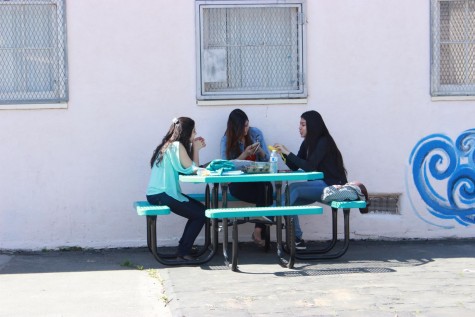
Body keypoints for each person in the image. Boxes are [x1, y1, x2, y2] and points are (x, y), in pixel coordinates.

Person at [273, 110, 348, 250]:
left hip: (332, 187)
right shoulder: (307, 143)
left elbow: (310, 167)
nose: (299, 128)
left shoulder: (324, 142)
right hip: (319, 186)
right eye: (299, 124)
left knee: (294, 189)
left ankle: (270, 214)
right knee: (290, 201)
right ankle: (297, 239)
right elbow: (295, 166)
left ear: (312, 126)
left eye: (303, 124)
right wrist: (283, 154)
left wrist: (288, 153)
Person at [146, 117, 207, 260]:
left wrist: (193, 147)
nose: (195, 133)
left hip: (156, 193)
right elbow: (193, 169)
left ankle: (184, 248)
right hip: (163, 194)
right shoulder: (177, 146)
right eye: (193, 131)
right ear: (187, 132)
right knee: (200, 214)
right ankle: (183, 252)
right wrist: (196, 149)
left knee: (199, 211)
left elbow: (186, 168)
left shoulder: (168, 145)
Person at [220, 109, 273, 247]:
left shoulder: (256, 133)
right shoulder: (226, 139)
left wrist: (260, 151)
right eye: (243, 126)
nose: (246, 129)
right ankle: (260, 230)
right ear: (235, 127)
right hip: (237, 184)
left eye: (247, 125)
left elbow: (268, 160)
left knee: (266, 187)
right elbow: (225, 167)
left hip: (256, 181)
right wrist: (244, 154)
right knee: (269, 198)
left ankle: (257, 230)